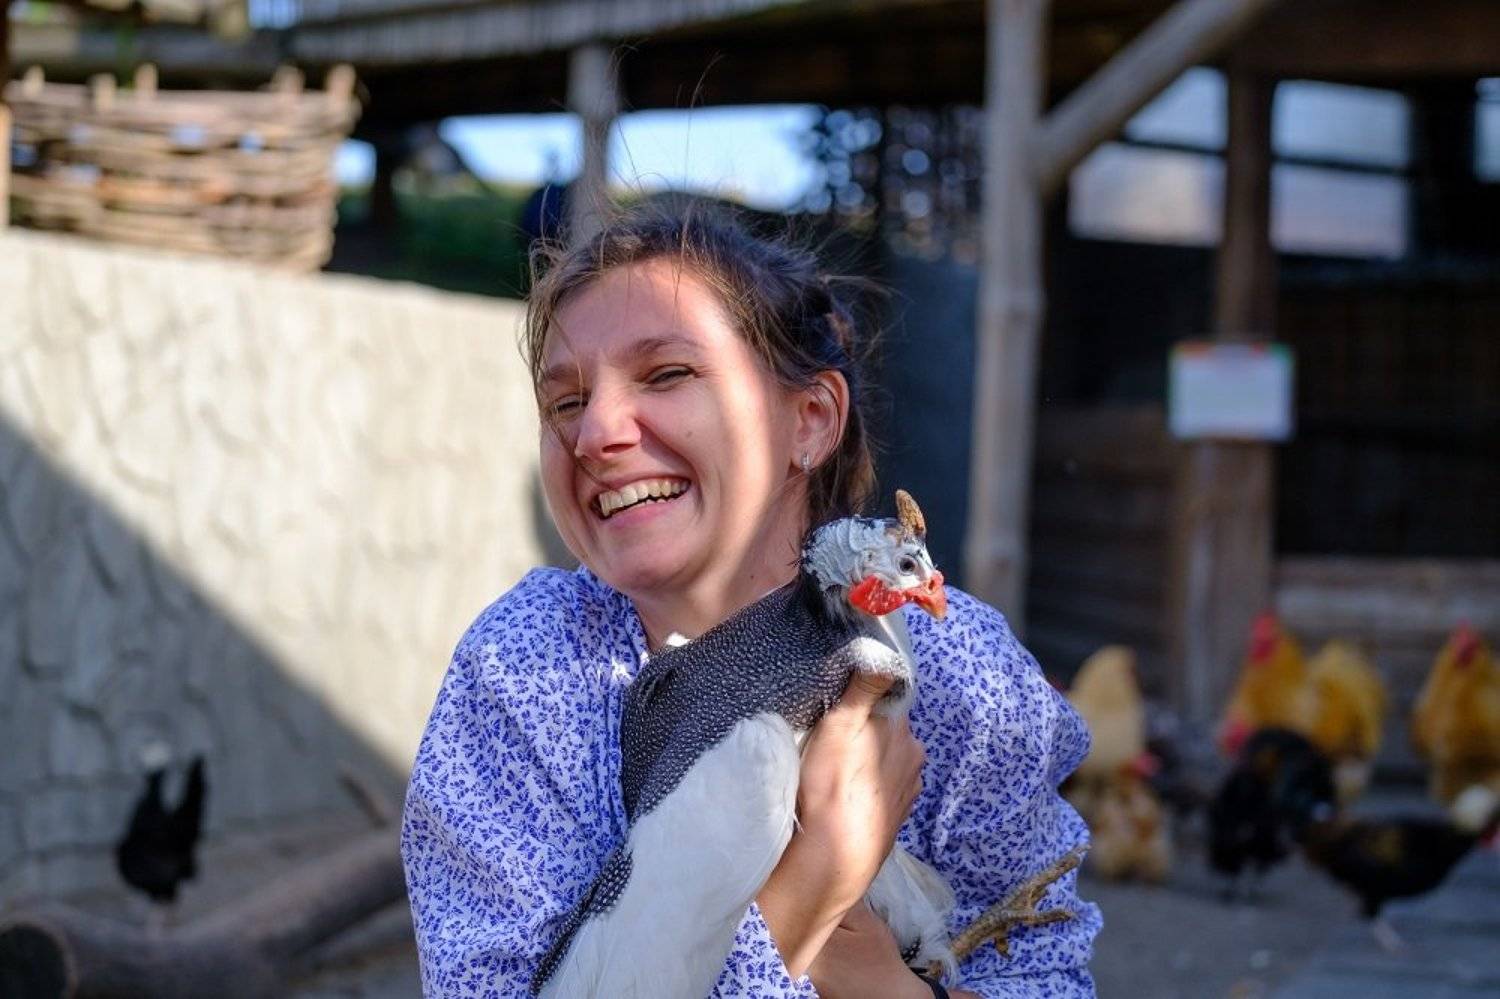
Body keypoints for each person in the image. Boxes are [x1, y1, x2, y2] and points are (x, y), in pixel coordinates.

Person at [400, 199, 1101, 997]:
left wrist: (881, 978)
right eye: (565, 403)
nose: (595, 433)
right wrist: (807, 892)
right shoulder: (526, 670)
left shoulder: (958, 671)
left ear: (810, 420)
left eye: (667, 373)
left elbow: (1043, 972)